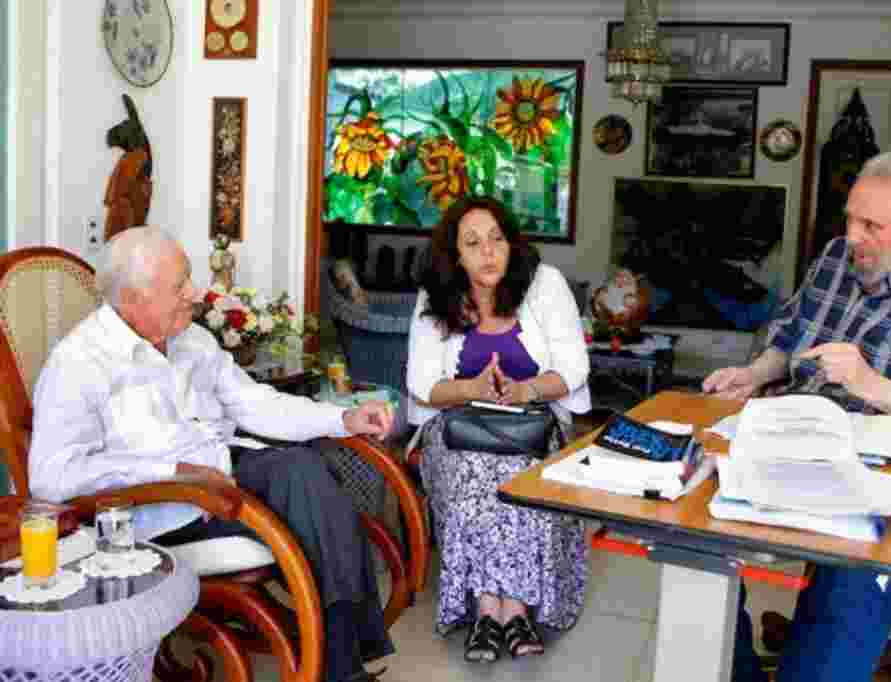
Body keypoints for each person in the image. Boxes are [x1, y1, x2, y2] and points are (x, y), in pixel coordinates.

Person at [29, 226, 395, 682]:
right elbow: (52, 476)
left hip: (227, 471)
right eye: (180, 284)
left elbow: (257, 404)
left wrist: (342, 421)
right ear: (133, 298)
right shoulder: (80, 364)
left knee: (311, 470)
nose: (195, 292)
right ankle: (344, 664)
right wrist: (173, 470)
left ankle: (341, 659)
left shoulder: (192, 341)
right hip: (165, 508)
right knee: (306, 478)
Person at [703, 152, 891, 682]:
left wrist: (875, 386)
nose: (853, 237)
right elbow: (794, 335)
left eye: (872, 226)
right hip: (800, 429)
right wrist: (755, 373)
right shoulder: (835, 257)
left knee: (850, 566)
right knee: (697, 527)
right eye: (849, 219)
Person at [406, 195, 591, 663]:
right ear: (456, 255)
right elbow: (421, 383)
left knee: (522, 471)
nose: (487, 252)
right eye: (473, 243)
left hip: (534, 421)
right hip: (456, 425)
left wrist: (525, 391)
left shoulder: (544, 284)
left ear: (511, 246)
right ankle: (491, 610)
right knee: (473, 467)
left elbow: (574, 367)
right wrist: (473, 388)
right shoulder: (437, 293)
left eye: (496, 240)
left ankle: (515, 609)